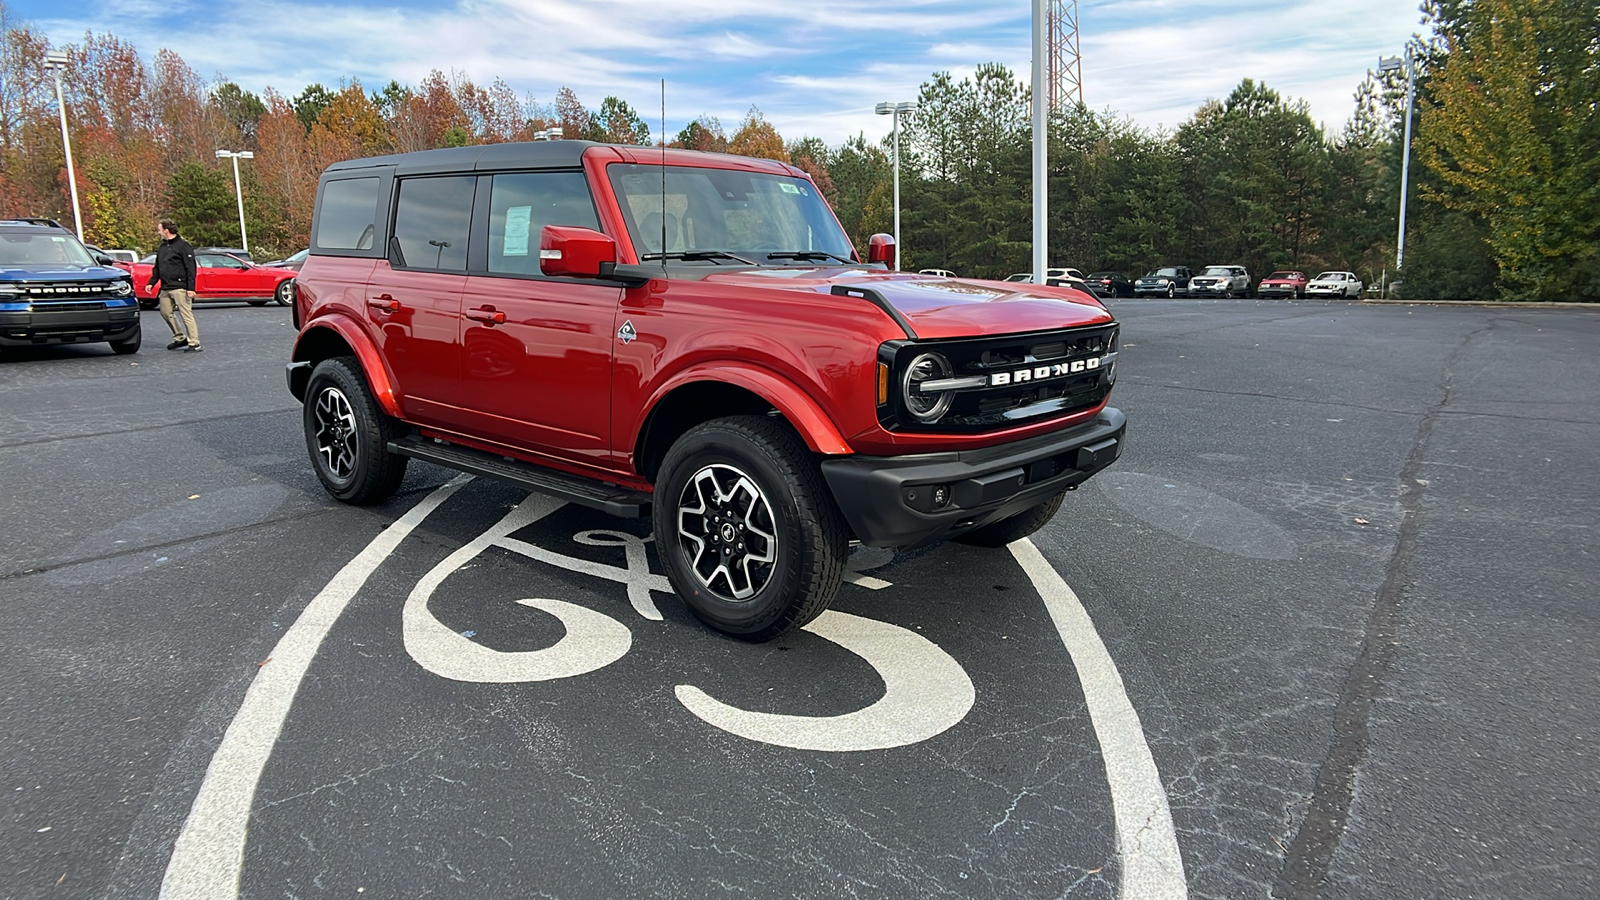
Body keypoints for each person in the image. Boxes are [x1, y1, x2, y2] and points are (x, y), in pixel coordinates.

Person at [148, 220, 201, 351]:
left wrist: (190, 288)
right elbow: (158, 267)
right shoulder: (162, 247)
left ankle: (194, 342)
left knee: (186, 314)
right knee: (165, 312)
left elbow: (191, 267)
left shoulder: (183, 246)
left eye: (159, 229)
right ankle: (179, 337)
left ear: (166, 230)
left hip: (180, 286)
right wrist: (151, 282)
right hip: (166, 287)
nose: (158, 232)